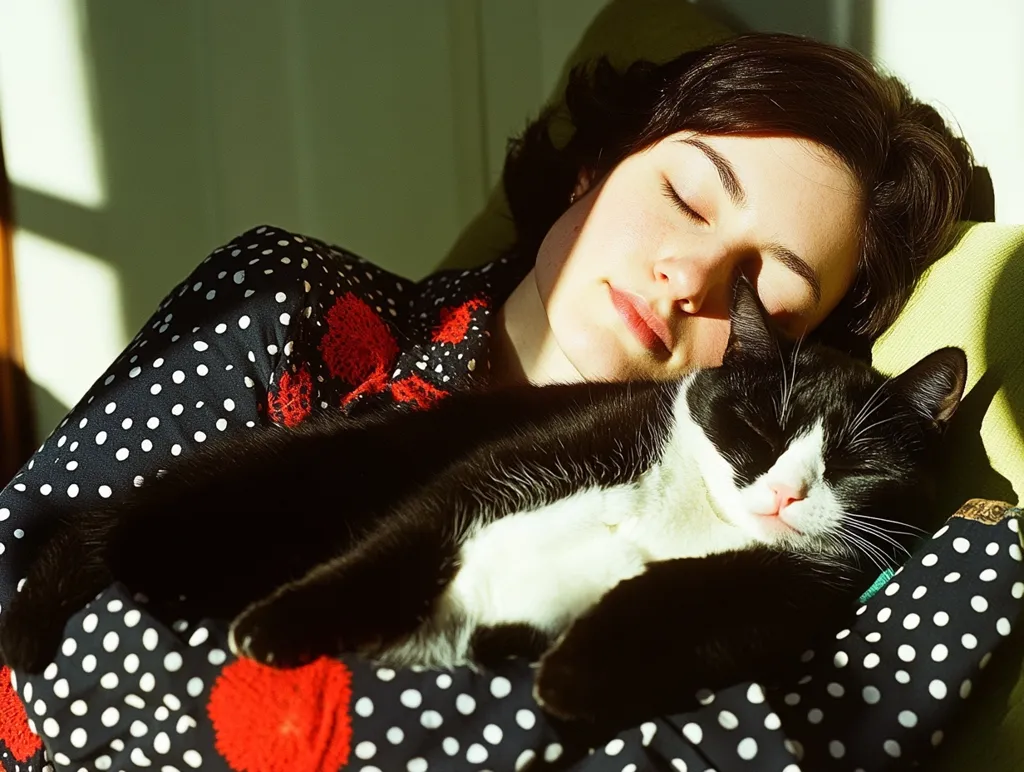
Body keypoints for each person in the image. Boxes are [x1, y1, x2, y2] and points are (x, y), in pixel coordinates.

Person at [0, 32, 976, 772]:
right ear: (601, 162)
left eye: (762, 288)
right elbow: (27, 615)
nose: (688, 275)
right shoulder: (284, 300)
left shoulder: (757, 565)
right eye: (685, 195)